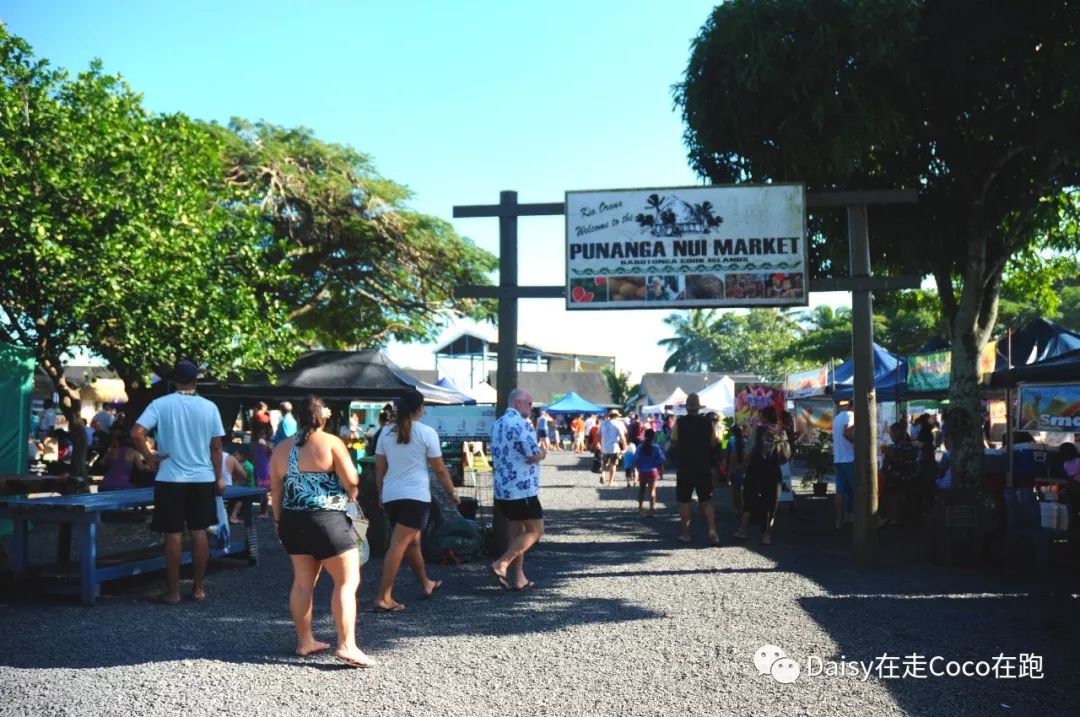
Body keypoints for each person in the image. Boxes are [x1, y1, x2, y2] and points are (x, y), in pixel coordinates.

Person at [270, 394, 374, 668]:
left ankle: (305, 641)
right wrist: (351, 486)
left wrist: (279, 522)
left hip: (292, 521)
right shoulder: (331, 442)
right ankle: (347, 645)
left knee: (303, 582)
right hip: (327, 520)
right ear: (322, 415)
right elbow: (352, 478)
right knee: (346, 582)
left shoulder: (281, 448)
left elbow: (276, 490)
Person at [131, 360, 225, 604]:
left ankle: (173, 592)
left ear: (173, 381)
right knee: (199, 532)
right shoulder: (209, 407)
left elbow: (137, 432)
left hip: (170, 478)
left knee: (172, 534)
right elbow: (216, 447)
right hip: (203, 478)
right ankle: (199, 588)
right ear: (196, 381)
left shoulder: (160, 405)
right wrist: (219, 477)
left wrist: (150, 457)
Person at [374, 389, 459, 612]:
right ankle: (383, 597)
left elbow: (380, 467)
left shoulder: (385, 432)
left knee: (412, 543)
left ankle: (426, 583)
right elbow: (439, 469)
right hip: (416, 496)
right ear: (420, 409)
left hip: (392, 495)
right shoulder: (427, 432)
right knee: (399, 544)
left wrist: (380, 493)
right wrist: (452, 492)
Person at [489, 387, 547, 591]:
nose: (532, 407)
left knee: (516, 532)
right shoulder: (521, 424)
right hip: (522, 489)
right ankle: (501, 564)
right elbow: (532, 454)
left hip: (503, 489)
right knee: (536, 530)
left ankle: (519, 578)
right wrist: (543, 453)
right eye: (529, 403)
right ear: (518, 403)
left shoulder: (497, 424)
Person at [669, 392, 720, 545]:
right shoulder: (707, 422)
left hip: (684, 467)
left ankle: (686, 534)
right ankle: (712, 530)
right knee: (707, 500)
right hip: (703, 466)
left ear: (686, 408)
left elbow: (673, 442)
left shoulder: (680, 422)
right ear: (698, 408)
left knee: (684, 501)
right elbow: (714, 442)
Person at [734, 407, 790, 544]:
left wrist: (743, 466)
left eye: (760, 415)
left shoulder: (757, 430)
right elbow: (786, 455)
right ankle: (766, 536)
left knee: (749, 499)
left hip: (755, 469)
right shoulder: (781, 432)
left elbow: (749, 450)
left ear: (764, 417)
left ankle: (743, 531)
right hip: (773, 470)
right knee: (771, 503)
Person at [832, 399, 856, 530]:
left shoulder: (837, 418)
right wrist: (859, 443)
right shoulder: (851, 415)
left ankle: (839, 521)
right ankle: (857, 519)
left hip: (838, 458)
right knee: (857, 490)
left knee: (840, 491)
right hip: (850, 458)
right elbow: (846, 433)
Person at [634, 428, 666, 516]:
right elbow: (661, 460)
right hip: (653, 471)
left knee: (641, 490)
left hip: (642, 471)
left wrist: (638, 468)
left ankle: (640, 508)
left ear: (645, 436)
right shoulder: (656, 447)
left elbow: (636, 459)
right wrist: (660, 471)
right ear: (653, 437)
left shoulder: (640, 447)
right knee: (652, 491)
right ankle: (652, 509)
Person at [599, 409, 627, 487]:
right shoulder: (619, 424)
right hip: (614, 447)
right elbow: (622, 436)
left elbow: (599, 434)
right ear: (616, 416)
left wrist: (600, 444)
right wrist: (625, 446)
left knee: (604, 462)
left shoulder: (603, 423)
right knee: (613, 464)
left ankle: (603, 474)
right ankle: (611, 482)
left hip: (604, 446)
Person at [726, 424, 749, 514]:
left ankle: (737, 508)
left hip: (734, 469)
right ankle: (745, 508)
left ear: (732, 432)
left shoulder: (730, 442)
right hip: (745, 469)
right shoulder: (746, 440)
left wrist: (727, 472)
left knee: (735, 490)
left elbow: (727, 457)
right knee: (745, 489)